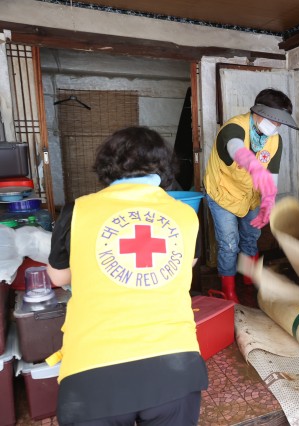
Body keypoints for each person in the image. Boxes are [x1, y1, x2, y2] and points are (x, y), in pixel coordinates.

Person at [46, 127, 208, 425]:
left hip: (93, 372)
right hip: (175, 366)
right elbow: (185, 266)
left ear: (109, 165)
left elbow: (58, 277)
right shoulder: (185, 214)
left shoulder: (77, 210)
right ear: (165, 166)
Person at [203, 88, 299, 303]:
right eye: (273, 121)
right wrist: (254, 167)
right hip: (223, 193)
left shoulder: (275, 140)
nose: (276, 127)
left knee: (251, 237)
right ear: (259, 112)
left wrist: (269, 201)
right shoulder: (233, 128)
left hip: (251, 196)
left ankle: (249, 279)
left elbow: (271, 175)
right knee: (228, 243)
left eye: (279, 123)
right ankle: (228, 290)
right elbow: (235, 147)